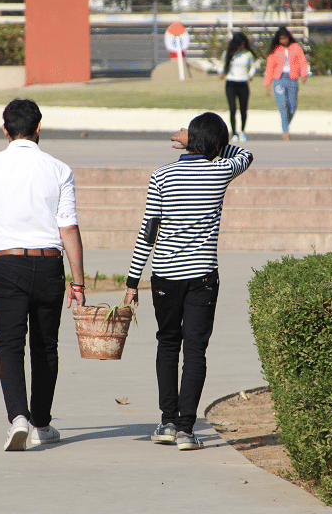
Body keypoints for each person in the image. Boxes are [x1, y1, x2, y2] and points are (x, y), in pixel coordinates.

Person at [0, 98, 86, 452]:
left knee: (9, 346)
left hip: (6, 267)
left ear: (5, 130)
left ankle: (18, 420)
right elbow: (68, 227)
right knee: (46, 347)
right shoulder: (59, 169)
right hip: (49, 265)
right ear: (40, 128)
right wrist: (78, 281)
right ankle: (41, 422)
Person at [123, 112, 253, 451]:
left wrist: (132, 281)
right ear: (217, 145)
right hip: (203, 275)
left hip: (165, 275)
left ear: (189, 141)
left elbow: (148, 231)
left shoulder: (162, 175)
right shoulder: (221, 169)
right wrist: (207, 144)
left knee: (168, 343)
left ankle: (167, 422)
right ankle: (186, 430)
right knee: (195, 349)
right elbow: (245, 155)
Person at [263, 26, 308, 141]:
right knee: (282, 105)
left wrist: (303, 74)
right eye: (281, 39)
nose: (283, 41)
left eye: (285, 38)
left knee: (292, 107)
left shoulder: (295, 47)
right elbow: (269, 67)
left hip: (292, 79)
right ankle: (285, 131)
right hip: (279, 79)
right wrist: (267, 84)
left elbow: (302, 62)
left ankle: (285, 125)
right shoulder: (275, 50)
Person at [218, 31, 257, 142]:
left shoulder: (247, 54)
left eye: (243, 44)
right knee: (232, 109)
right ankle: (234, 133)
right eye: (240, 44)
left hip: (243, 83)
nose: (242, 46)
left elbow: (252, 66)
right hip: (231, 83)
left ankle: (242, 132)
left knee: (243, 109)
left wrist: (251, 75)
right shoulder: (228, 53)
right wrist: (221, 72)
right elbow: (222, 64)